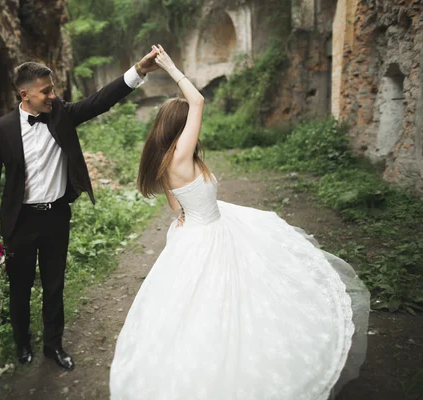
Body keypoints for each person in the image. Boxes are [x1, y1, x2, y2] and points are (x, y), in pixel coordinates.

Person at [109, 45, 370, 399]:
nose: (195, 128)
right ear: (180, 127)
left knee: (228, 300)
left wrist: (189, 210)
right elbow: (198, 102)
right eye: (189, 124)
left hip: (209, 226)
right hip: (209, 236)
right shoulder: (181, 156)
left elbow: (177, 206)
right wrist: (171, 67)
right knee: (218, 304)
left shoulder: (169, 161)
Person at [0, 49, 159, 371]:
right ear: (25, 94)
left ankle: (53, 346)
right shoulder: (0, 129)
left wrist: (138, 71)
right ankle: (22, 344)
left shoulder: (61, 113)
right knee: (19, 288)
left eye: (52, 89)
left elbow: (101, 100)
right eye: (46, 91)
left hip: (56, 217)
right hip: (19, 221)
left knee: (54, 285)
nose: (52, 95)